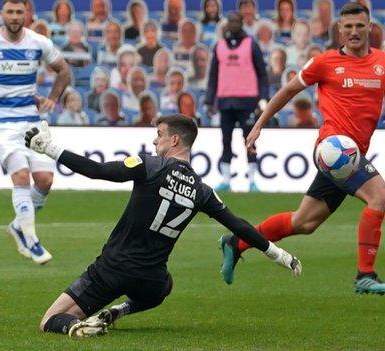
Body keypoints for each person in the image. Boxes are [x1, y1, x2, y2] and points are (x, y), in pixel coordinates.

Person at [25, 116, 302, 338]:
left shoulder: (149, 166)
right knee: (166, 285)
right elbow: (238, 225)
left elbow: (98, 170)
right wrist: (279, 255)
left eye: (159, 134)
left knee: (49, 320)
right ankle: (119, 312)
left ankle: (75, 328)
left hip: (112, 270)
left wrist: (49, 148)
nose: (155, 139)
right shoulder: (203, 190)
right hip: (150, 279)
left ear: (175, 139)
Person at [220, 3, 385, 295]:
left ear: (370, 27)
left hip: (353, 153)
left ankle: (237, 242)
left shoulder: (381, 63)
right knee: (379, 198)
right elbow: (286, 92)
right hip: (333, 149)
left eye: (360, 25)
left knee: (304, 222)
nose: (355, 32)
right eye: (348, 26)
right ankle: (365, 275)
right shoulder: (325, 62)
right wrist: (258, 125)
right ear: (339, 30)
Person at [0, 0, 71, 265]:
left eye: (19, 12)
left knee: (44, 180)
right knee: (21, 175)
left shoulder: (38, 42)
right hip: (1, 121)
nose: (14, 16)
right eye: (9, 11)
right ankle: (31, 240)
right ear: (2, 14)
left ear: (26, 15)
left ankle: (18, 225)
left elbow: (64, 71)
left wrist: (53, 98)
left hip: (31, 119)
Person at [205, 12, 269, 192]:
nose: (232, 24)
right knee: (225, 140)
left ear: (241, 23)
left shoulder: (251, 45)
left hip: (247, 100)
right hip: (225, 101)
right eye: (230, 21)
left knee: (249, 141)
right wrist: (209, 100)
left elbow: (262, 74)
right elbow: (213, 76)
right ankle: (226, 180)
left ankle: (252, 181)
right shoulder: (219, 46)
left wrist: (263, 97)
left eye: (236, 21)